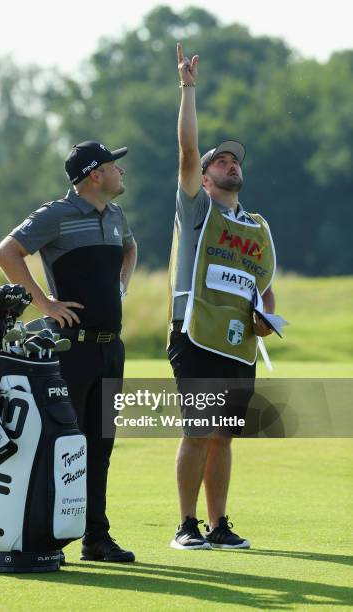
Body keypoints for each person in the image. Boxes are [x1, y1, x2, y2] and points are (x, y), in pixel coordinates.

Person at [0, 140, 137, 562]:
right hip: (71, 350)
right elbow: (7, 252)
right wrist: (45, 304)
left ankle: (96, 538)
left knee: (101, 445)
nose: (120, 172)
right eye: (114, 166)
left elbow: (130, 248)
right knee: (61, 444)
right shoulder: (56, 215)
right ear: (95, 174)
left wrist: (122, 284)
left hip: (112, 350)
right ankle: (45, 534)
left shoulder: (115, 215)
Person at [167, 43, 276, 550]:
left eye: (235, 160)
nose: (230, 164)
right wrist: (188, 88)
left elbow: (264, 287)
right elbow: (188, 149)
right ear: (205, 177)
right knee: (197, 432)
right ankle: (186, 525)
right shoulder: (196, 209)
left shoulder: (254, 224)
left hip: (237, 342)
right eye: (222, 161)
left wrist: (265, 320)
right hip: (197, 332)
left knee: (224, 436)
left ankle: (218, 525)